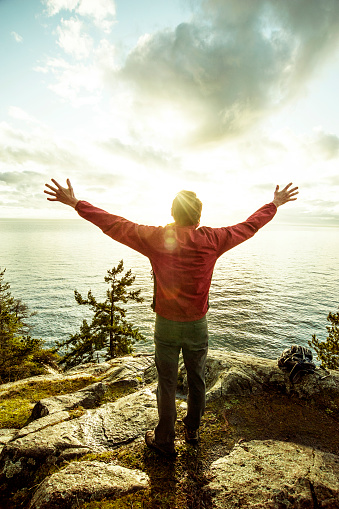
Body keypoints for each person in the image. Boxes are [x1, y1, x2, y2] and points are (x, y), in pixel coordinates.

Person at [44, 179, 298, 456]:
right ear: (199, 217)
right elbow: (249, 226)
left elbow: (115, 224)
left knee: (166, 382)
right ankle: (193, 428)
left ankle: (164, 440)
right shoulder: (213, 239)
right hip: (197, 325)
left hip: (165, 324)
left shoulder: (157, 239)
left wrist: (76, 203)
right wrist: (273, 204)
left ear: (172, 214)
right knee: (197, 377)